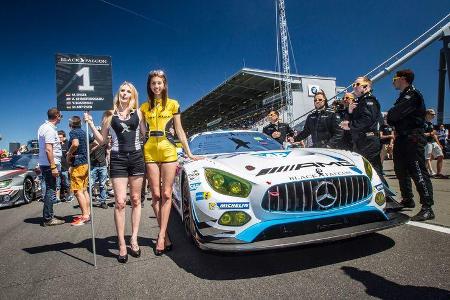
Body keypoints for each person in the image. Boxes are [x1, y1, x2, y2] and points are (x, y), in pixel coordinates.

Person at [140, 70, 201, 255]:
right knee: (156, 196)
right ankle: (165, 234)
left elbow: (179, 130)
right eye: (153, 83)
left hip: (168, 150)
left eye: (159, 83)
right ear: (149, 86)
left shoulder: (173, 104)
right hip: (150, 150)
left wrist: (189, 153)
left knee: (167, 194)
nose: (156, 86)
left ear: (164, 85)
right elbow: (142, 132)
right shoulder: (144, 107)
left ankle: (160, 236)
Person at [85, 81, 146, 263]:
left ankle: (133, 238)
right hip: (118, 160)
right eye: (122, 91)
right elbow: (103, 140)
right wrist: (89, 123)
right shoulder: (109, 114)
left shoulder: (139, 113)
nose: (125, 93)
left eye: (128, 91)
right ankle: (121, 243)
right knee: (120, 202)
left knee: (136, 200)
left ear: (133, 95)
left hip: (136, 158)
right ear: (118, 93)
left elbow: (144, 134)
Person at [387, 69, 435, 221]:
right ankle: (407, 199)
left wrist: (393, 115)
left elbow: (393, 116)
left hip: (413, 137)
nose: (393, 81)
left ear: (402, 79)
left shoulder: (413, 95)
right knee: (400, 169)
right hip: (402, 138)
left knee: (418, 171)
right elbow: (392, 118)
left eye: (394, 78)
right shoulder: (402, 96)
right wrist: (392, 116)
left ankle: (428, 207)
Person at [340, 76, 386, 185]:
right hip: (362, 141)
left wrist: (350, 125)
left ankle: (385, 196)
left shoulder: (369, 100)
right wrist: (350, 112)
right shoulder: (360, 102)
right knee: (367, 171)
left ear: (365, 87)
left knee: (373, 171)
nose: (354, 87)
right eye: (353, 85)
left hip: (369, 141)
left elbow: (367, 119)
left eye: (356, 84)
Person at [37, 108, 65, 226]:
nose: (61, 118)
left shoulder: (43, 127)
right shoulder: (49, 129)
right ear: (57, 116)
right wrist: (53, 166)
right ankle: (48, 218)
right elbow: (49, 149)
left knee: (50, 189)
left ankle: (49, 215)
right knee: (51, 190)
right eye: (61, 116)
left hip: (46, 164)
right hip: (50, 165)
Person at [67, 116, 91, 225]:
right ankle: (88, 213)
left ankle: (85, 216)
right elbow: (94, 142)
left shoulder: (74, 132)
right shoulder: (84, 132)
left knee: (78, 191)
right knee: (84, 190)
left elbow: (75, 143)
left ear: (71, 125)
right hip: (86, 163)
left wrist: (69, 153)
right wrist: (87, 152)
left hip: (77, 164)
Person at [424, 109, 447, 179]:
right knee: (427, 157)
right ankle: (430, 172)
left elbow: (434, 135)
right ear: (427, 114)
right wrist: (431, 133)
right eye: (432, 114)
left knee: (441, 156)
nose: (434, 116)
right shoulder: (422, 123)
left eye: (434, 114)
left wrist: (439, 143)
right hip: (426, 142)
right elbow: (422, 134)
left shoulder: (431, 123)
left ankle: (438, 173)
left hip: (433, 142)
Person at [89, 130, 109, 209]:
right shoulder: (90, 143)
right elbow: (88, 152)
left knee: (102, 184)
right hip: (93, 166)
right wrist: (94, 146)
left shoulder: (104, 142)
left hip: (102, 165)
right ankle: (88, 201)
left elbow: (108, 140)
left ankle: (103, 201)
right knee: (90, 184)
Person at [57, 130, 74, 202]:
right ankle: (59, 198)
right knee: (58, 184)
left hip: (66, 167)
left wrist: (70, 166)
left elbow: (71, 156)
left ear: (64, 137)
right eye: (58, 137)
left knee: (67, 183)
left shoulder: (68, 144)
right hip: (58, 167)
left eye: (60, 137)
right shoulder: (56, 145)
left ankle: (70, 195)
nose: (59, 139)